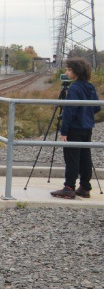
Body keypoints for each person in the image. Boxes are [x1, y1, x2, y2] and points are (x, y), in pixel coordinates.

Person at [51, 57, 101, 199]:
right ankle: (85, 187)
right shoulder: (90, 86)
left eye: (68, 69)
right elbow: (96, 107)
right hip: (87, 127)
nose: (66, 72)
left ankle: (69, 187)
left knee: (72, 157)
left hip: (74, 127)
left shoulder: (74, 88)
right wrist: (86, 114)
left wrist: (64, 131)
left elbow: (69, 111)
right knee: (85, 156)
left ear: (76, 71)